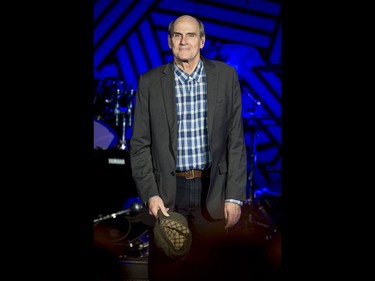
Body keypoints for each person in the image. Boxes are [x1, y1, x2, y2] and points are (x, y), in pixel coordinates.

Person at [129, 14, 248, 281]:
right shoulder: (149, 82)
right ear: (169, 41)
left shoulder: (226, 77)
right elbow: (139, 146)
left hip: (214, 192)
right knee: (166, 272)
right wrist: (151, 194)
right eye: (177, 35)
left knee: (212, 271)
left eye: (191, 35)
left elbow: (235, 141)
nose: (184, 41)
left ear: (202, 41)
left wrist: (234, 196)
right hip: (167, 195)